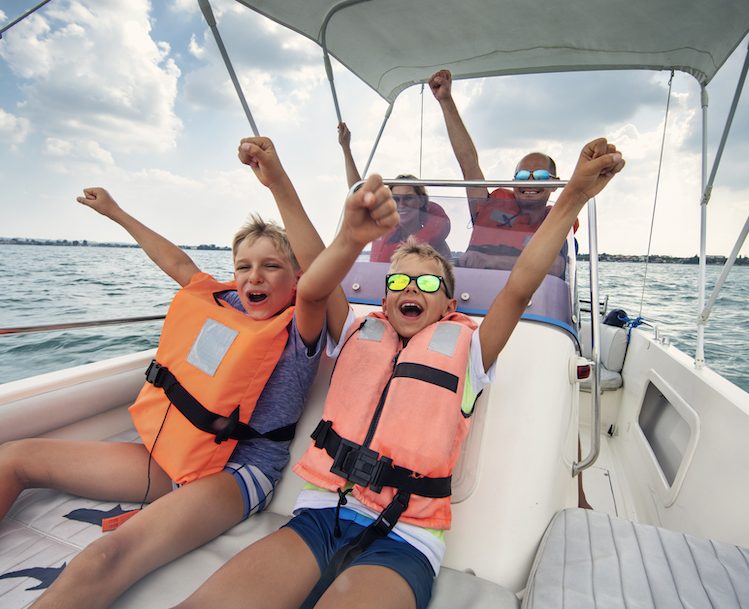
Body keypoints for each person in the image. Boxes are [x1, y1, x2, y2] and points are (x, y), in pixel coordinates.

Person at [172, 137, 624, 609]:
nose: (411, 287)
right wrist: (278, 182)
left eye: (427, 282)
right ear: (385, 300)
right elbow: (312, 264)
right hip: (319, 516)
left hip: (405, 538)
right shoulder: (353, 329)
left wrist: (572, 195)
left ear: (449, 305)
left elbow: (520, 285)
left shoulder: (470, 351)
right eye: (398, 281)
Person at [0, 141, 339, 608]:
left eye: (272, 266)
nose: (254, 278)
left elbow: (320, 276)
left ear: (295, 279)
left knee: (102, 557)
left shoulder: (301, 325)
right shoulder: (226, 303)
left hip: (238, 472)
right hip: (179, 455)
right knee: (12, 457)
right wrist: (115, 212)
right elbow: (176, 262)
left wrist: (276, 181)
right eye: (244, 267)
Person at [428, 69, 578, 277]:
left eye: (541, 176)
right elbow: (468, 162)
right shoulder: (488, 206)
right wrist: (445, 100)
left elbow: (556, 267)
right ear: (514, 182)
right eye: (523, 176)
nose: (530, 183)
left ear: (555, 184)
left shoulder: (557, 221)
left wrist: (490, 261)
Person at [338, 122, 452, 261]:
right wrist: (346, 148)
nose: (402, 204)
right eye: (396, 199)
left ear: (421, 201)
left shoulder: (437, 245)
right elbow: (357, 191)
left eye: (408, 198)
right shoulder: (383, 226)